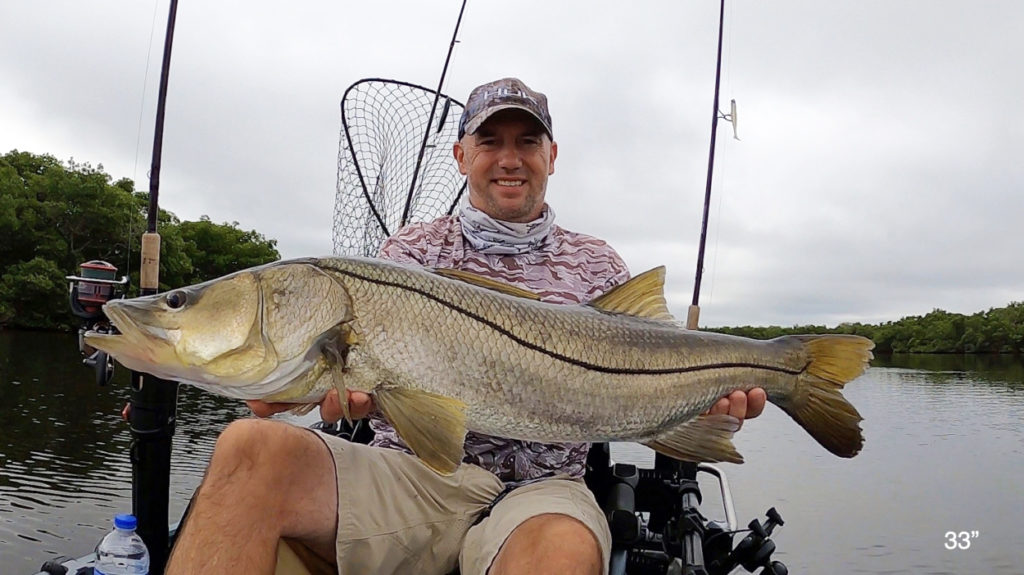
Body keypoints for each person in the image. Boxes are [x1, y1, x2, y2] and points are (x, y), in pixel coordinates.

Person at [166, 77, 767, 575]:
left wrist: (707, 405)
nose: (510, 158)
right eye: (489, 141)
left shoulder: (598, 263)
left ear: (552, 157)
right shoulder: (408, 252)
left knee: (560, 554)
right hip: (414, 476)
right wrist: (313, 399)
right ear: (461, 156)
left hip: (545, 490)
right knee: (248, 447)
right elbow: (327, 388)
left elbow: (651, 374)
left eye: (528, 141)